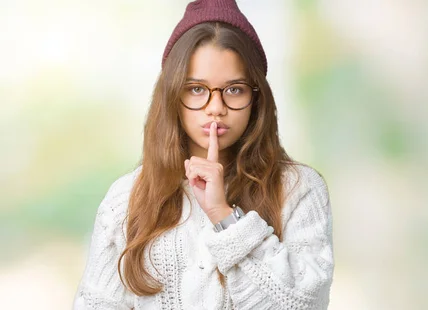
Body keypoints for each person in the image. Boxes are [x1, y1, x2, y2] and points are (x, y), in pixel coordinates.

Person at [72, 0, 334, 309]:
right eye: (197, 89)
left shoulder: (298, 189)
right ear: (173, 96)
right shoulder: (126, 198)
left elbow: (305, 303)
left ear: (256, 97)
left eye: (234, 89)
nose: (216, 107)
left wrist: (224, 217)